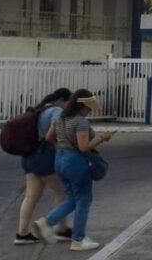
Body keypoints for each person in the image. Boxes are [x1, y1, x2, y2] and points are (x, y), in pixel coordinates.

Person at [32, 89, 114, 251]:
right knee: (83, 199)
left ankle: (46, 222)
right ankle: (78, 239)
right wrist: (102, 138)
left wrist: (62, 146)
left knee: (73, 197)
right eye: (89, 107)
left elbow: (48, 138)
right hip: (75, 161)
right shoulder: (80, 122)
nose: (90, 110)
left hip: (59, 159)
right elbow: (84, 147)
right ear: (82, 105)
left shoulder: (60, 118)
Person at [14, 88, 74, 245]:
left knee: (31, 196)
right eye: (68, 102)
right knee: (62, 192)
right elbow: (57, 128)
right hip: (43, 156)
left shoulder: (39, 110)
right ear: (61, 100)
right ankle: (62, 229)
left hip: (29, 156)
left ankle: (22, 233)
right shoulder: (56, 111)